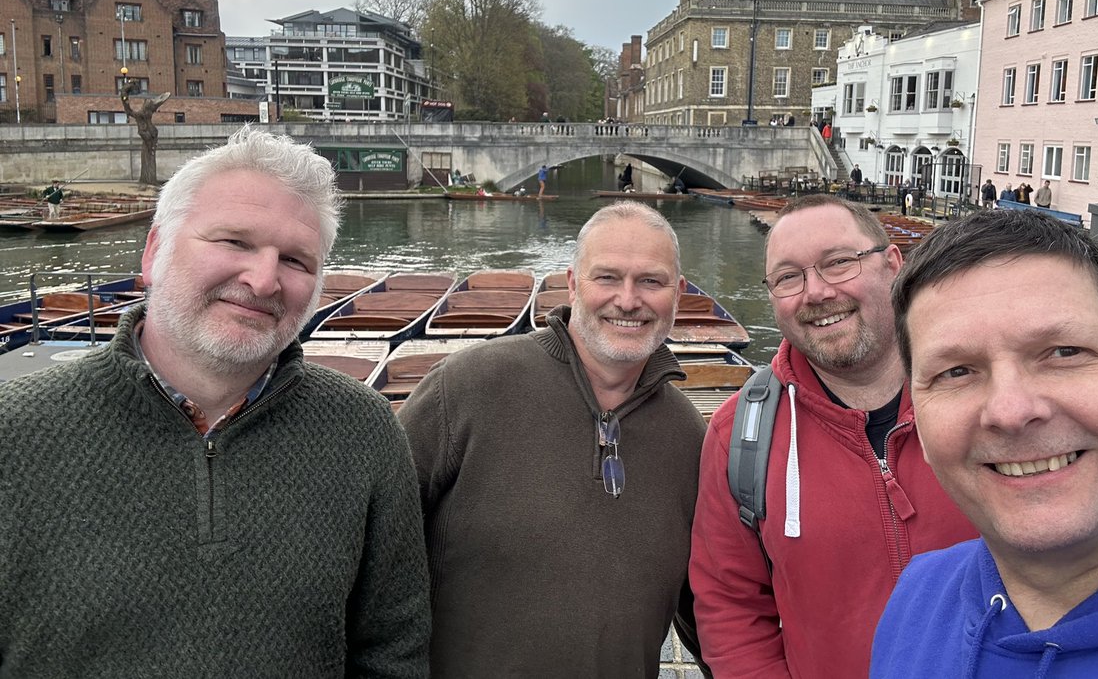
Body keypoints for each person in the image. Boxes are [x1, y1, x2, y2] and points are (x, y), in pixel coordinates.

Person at [0, 126, 431, 677]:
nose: (264, 279)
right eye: (234, 242)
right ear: (155, 250)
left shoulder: (364, 429)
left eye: (296, 261)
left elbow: (393, 646)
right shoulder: (15, 432)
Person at [874, 208, 1098, 677]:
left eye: (1065, 352)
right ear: (919, 425)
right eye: (956, 372)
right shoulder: (919, 595)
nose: (1010, 411)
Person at [400, 202, 708, 676]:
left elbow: (707, 611)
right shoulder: (466, 388)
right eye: (606, 277)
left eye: (651, 281)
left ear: (679, 293)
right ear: (572, 284)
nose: (628, 300)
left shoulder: (690, 437)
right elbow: (371, 555)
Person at [689, 196, 975, 678]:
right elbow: (732, 608)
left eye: (839, 263)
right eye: (787, 277)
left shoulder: (985, 398)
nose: (816, 292)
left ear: (892, 265)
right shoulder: (739, 436)